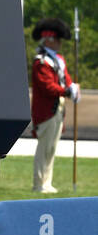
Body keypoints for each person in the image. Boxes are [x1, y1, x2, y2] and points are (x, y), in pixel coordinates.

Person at [30, 17, 80, 194]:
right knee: (44, 148)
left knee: (52, 148)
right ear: (49, 40)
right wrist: (66, 91)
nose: (60, 43)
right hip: (46, 111)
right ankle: (39, 184)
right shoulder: (41, 61)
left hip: (58, 109)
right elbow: (48, 86)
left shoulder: (58, 60)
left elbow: (65, 79)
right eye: (57, 39)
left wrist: (72, 87)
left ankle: (47, 182)